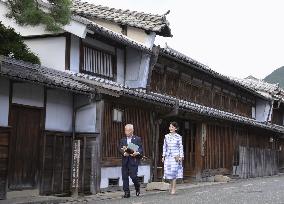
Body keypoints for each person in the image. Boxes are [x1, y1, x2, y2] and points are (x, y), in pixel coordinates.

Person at [119, 124, 143, 198]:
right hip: (125, 160)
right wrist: (124, 153)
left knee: (133, 176)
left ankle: (137, 186)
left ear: (132, 130)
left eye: (129, 130)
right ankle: (127, 192)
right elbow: (120, 148)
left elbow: (140, 149)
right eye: (126, 130)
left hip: (133, 160)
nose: (127, 132)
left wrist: (137, 152)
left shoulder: (137, 139)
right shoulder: (123, 140)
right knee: (124, 177)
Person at [162, 121, 184, 195]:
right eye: (170, 126)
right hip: (168, 157)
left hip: (176, 157)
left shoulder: (178, 137)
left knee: (174, 173)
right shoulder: (166, 136)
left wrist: (181, 156)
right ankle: (171, 187)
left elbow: (181, 147)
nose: (170, 128)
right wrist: (163, 156)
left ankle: (173, 188)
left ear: (176, 128)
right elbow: (164, 146)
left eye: (172, 127)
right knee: (169, 173)